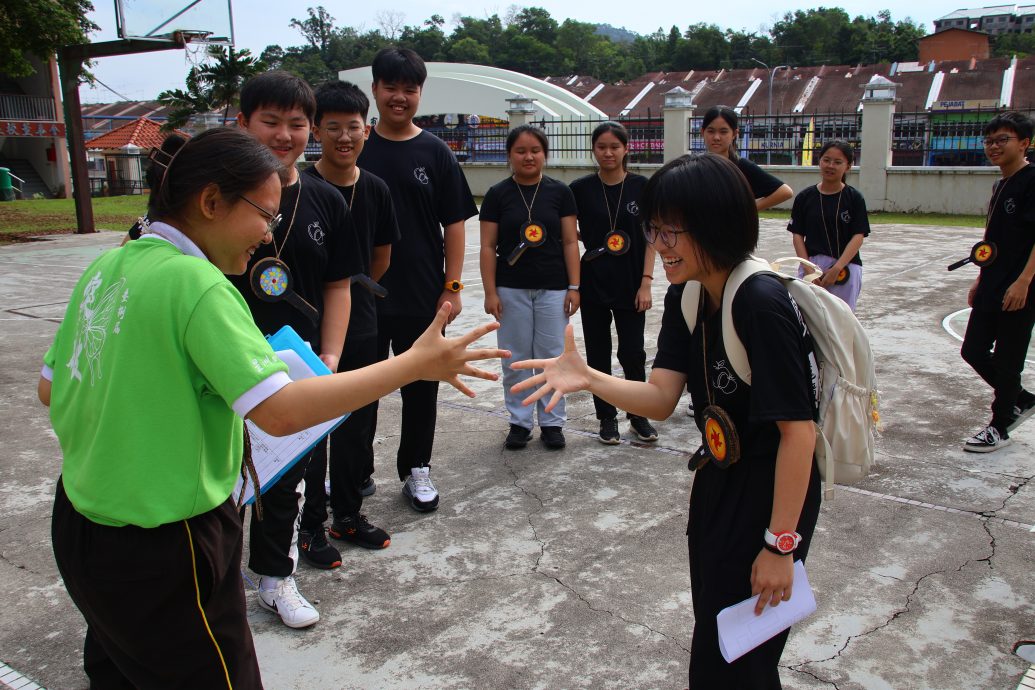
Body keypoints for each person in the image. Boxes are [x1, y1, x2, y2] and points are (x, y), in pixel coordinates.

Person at [40, 127, 507, 689]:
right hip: (164, 542)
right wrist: (412, 365)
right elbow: (281, 413)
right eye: (265, 215)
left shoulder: (110, 266)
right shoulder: (198, 286)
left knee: (118, 673)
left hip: (82, 522)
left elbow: (51, 388)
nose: (268, 235)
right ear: (211, 202)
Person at [510, 152, 821, 686]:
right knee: (717, 638)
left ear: (717, 224)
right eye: (654, 229)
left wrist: (779, 545)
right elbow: (660, 398)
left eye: (671, 231)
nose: (658, 245)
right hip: (718, 477)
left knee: (742, 657)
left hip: (772, 494)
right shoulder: (690, 292)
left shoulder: (760, 302)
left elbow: (800, 433)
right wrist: (589, 379)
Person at [230, 70, 362, 624]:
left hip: (295, 363)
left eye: (296, 123)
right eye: (270, 121)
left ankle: (275, 577)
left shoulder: (326, 201)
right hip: (224, 359)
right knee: (219, 476)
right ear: (243, 124)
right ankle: (213, 578)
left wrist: (330, 359)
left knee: (287, 475)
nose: (284, 134)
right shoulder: (218, 197)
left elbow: (338, 284)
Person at [357, 47, 478, 512]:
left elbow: (455, 225)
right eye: (391, 88)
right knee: (362, 385)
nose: (400, 97)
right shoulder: (359, 147)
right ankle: (356, 469)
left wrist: (452, 288)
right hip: (363, 294)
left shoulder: (436, 152)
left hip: (423, 293)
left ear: (420, 93)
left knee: (422, 387)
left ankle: (416, 469)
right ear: (375, 91)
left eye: (410, 89)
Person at [300, 80, 400, 552]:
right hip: (306, 324)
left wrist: (354, 292)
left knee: (357, 424)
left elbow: (379, 258)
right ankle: (310, 524)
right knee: (312, 428)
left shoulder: (377, 190)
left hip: (361, 321)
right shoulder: (300, 186)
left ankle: (347, 515)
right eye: (333, 127)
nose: (344, 137)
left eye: (353, 127)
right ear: (317, 130)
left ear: (368, 130)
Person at [480, 125, 580, 450]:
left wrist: (574, 286)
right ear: (509, 155)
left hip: (553, 288)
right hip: (510, 289)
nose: (528, 156)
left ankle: (552, 422)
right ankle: (520, 422)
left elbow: (569, 241)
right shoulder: (497, 194)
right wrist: (490, 291)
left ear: (545, 155)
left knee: (553, 356)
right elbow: (487, 246)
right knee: (516, 359)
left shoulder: (560, 192)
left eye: (535, 150)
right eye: (521, 151)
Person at [570, 121, 658, 445]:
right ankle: (606, 418)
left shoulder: (642, 186)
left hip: (631, 283)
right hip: (593, 281)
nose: (608, 153)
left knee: (633, 353)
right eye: (601, 147)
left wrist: (646, 282)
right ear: (594, 150)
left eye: (614, 147)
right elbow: (568, 234)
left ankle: (637, 415)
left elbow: (651, 237)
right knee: (598, 353)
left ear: (626, 149)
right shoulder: (579, 189)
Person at [960, 111, 1035, 452]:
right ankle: (1019, 398)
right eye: (989, 141)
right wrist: (980, 277)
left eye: (1003, 140)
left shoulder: (1032, 180)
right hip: (993, 280)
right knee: (973, 349)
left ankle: (1000, 424)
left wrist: (1024, 282)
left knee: (1008, 358)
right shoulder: (1000, 183)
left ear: (1025, 143)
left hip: (1021, 286)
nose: (994, 147)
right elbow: (993, 239)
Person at [787, 139, 870, 312]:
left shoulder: (854, 198)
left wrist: (837, 267)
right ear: (819, 161)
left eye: (838, 162)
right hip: (812, 265)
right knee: (808, 318)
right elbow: (797, 236)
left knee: (842, 319)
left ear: (848, 166)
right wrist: (808, 269)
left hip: (846, 267)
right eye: (826, 160)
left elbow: (858, 236)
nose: (830, 165)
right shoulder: (805, 197)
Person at [701, 105, 793, 211]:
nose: (716, 137)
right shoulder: (694, 168)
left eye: (723, 132)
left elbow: (785, 192)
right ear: (703, 132)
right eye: (711, 131)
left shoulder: (741, 167)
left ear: (734, 134)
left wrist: (746, 211)